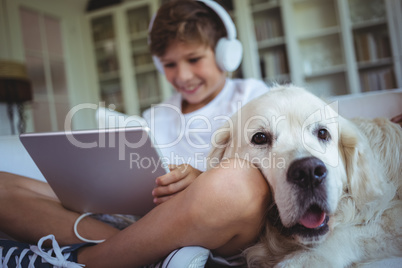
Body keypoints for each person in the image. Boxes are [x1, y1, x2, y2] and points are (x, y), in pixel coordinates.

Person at [0, 0, 271, 267]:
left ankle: (92, 259)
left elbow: (270, 178)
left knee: (236, 182)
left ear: (225, 53)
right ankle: (144, 255)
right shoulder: (155, 115)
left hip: (217, 223)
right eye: (170, 64)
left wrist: (201, 181)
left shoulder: (253, 96)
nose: (183, 75)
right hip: (144, 219)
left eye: (194, 59)